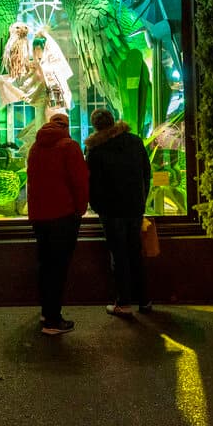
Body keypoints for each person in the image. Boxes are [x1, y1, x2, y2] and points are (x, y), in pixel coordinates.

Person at [84, 108, 152, 317]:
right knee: (135, 252)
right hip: (134, 207)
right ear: (113, 121)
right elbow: (146, 172)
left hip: (111, 210)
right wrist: (141, 199)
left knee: (119, 254)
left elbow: (91, 183)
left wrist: (96, 206)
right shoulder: (134, 141)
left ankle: (123, 302)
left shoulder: (95, 150)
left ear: (95, 126)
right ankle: (144, 300)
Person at [27, 112, 89, 335]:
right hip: (63, 216)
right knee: (58, 268)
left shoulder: (35, 148)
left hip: (40, 217)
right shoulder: (69, 147)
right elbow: (80, 182)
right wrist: (80, 210)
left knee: (45, 266)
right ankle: (53, 321)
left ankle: (46, 311)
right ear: (66, 127)